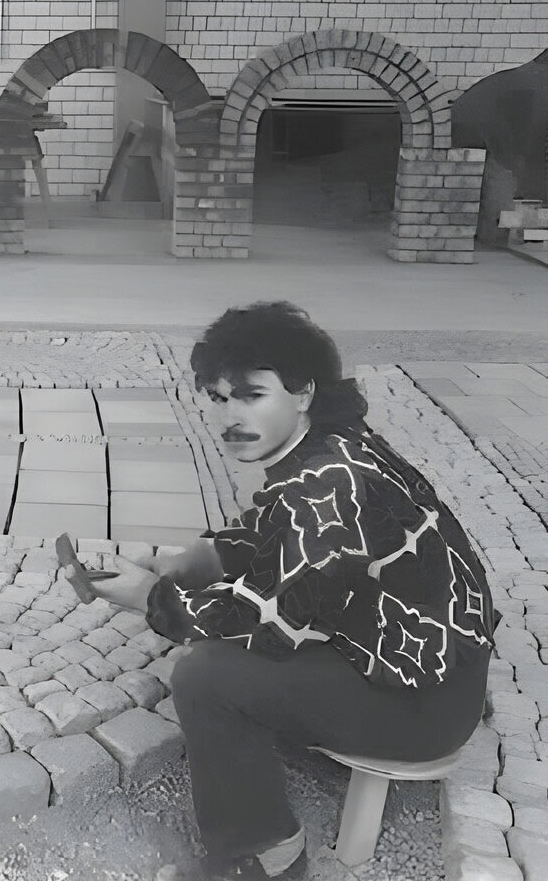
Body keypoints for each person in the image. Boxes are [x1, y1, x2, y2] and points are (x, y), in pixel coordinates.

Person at [70, 302, 498, 881]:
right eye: (218, 398)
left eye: (251, 395)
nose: (229, 415)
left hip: (424, 708)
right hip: (440, 672)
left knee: (206, 675)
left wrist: (153, 595)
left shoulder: (326, 482)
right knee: (223, 630)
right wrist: (185, 559)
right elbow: (281, 538)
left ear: (302, 394)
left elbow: (272, 620)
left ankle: (262, 855)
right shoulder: (341, 445)